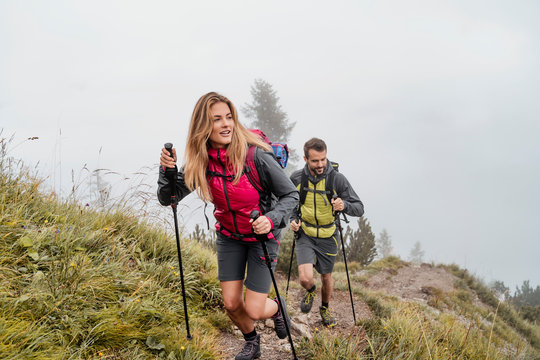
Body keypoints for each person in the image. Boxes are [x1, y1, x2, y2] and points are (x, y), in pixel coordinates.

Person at [158, 92, 299, 360]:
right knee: (232, 304)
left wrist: (270, 219)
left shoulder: (255, 156)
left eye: (229, 117)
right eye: (216, 120)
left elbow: (291, 195)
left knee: (255, 309)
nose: (226, 124)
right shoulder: (202, 160)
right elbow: (170, 198)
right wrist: (167, 172)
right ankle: (252, 342)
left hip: (261, 236)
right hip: (229, 236)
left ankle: (277, 307)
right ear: (203, 127)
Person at [289, 137, 364, 327]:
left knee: (326, 276)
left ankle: (324, 307)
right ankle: (311, 290)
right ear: (306, 159)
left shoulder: (336, 179)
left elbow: (359, 208)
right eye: (315, 160)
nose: (321, 164)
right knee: (305, 278)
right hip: (305, 233)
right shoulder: (297, 178)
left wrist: (343, 204)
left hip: (329, 235)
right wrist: (292, 219)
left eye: (323, 159)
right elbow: (288, 202)